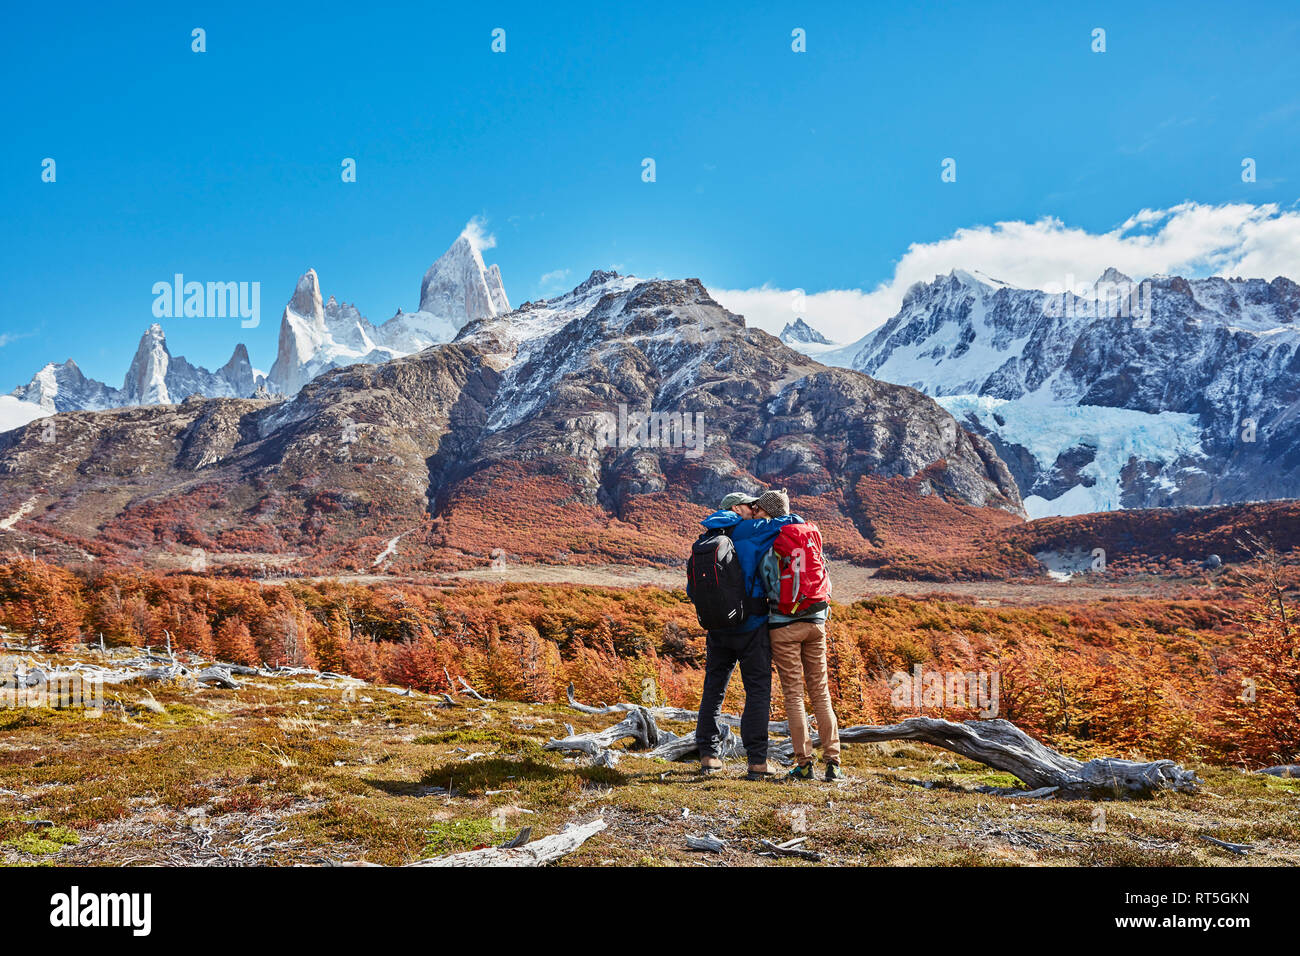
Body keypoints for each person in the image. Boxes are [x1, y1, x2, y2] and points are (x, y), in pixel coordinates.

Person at [688, 491, 802, 780]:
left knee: (713, 690)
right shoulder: (750, 529)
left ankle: (709, 756)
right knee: (758, 690)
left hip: (716, 627)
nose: (755, 509)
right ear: (736, 508)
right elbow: (793, 522)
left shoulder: (706, 537)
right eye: (751, 505)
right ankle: (757, 761)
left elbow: (693, 590)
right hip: (751, 625)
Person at [753, 488, 843, 782]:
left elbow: (765, 582)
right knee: (821, 692)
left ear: (767, 512)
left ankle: (804, 763)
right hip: (816, 621)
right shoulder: (808, 535)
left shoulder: (771, 540)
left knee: (794, 694)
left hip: (783, 624)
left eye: (759, 510)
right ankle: (834, 763)